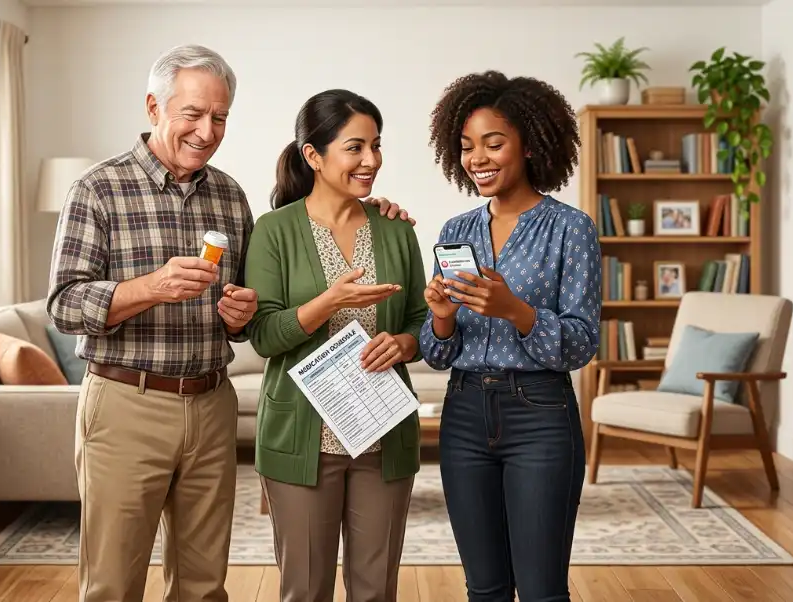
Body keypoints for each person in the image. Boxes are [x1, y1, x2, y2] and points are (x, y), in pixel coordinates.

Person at [46, 45, 414, 602]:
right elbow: (64, 304)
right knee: (113, 583)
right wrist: (152, 286)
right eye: (193, 114)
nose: (207, 130)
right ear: (154, 107)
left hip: (211, 404)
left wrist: (238, 316)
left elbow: (252, 320)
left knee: (202, 584)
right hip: (127, 402)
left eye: (219, 117)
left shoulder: (229, 196)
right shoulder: (98, 189)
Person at [419, 72, 601, 602]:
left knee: (543, 590)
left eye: (493, 143)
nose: (478, 157)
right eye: (467, 146)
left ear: (531, 142)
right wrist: (441, 317)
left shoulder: (572, 227)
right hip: (464, 414)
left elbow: (581, 342)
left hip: (540, 415)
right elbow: (437, 353)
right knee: (485, 588)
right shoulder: (456, 231)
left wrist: (517, 311)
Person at [243, 89, 429, 602]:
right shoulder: (274, 231)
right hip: (303, 439)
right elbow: (262, 335)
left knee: (376, 591)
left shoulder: (395, 230)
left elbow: (420, 319)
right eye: (354, 147)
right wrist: (326, 302)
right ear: (313, 155)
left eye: (376, 146)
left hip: (382, 435)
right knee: (305, 589)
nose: (371, 160)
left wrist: (406, 343)